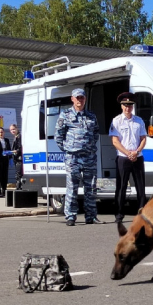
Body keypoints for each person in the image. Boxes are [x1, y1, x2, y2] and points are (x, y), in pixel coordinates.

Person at [55, 88, 102, 226]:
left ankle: (91, 216)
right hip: (73, 157)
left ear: (85, 99)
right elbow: (58, 136)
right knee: (72, 187)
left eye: (82, 97)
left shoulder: (91, 116)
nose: (80, 100)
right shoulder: (65, 115)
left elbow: (96, 133)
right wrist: (68, 149)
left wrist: (89, 148)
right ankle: (70, 216)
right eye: (77, 98)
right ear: (72, 99)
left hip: (89, 157)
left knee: (91, 187)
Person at [109, 92, 147, 223]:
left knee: (140, 187)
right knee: (121, 187)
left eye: (130, 105)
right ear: (121, 106)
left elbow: (143, 139)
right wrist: (127, 153)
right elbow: (115, 141)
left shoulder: (139, 121)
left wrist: (136, 151)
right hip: (123, 158)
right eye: (125, 105)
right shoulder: (116, 121)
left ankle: (142, 213)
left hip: (137, 157)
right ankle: (119, 214)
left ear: (133, 106)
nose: (127, 108)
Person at [10, 123, 23, 190]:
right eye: (11, 130)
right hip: (16, 158)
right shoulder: (15, 137)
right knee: (18, 173)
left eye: (14, 129)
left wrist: (16, 151)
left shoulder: (19, 136)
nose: (13, 131)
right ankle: (19, 186)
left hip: (19, 158)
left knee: (18, 173)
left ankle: (19, 187)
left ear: (17, 129)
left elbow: (21, 147)